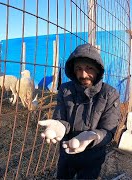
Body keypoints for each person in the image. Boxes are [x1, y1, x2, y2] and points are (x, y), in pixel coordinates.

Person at [38, 43, 120, 179]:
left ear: (98, 70)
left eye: (89, 68)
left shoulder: (109, 94)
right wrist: (59, 127)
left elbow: (109, 130)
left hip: (93, 156)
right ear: (73, 71)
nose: (83, 75)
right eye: (78, 69)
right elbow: (61, 118)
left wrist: (93, 136)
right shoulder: (65, 89)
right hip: (67, 152)